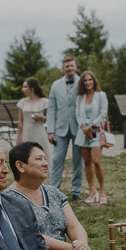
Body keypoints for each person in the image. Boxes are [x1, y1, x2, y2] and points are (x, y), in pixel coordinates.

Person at [46, 57, 83, 200]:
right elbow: (51, 108)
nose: (69, 68)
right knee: (57, 160)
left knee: (78, 161)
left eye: (72, 65)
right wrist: (50, 130)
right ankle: (54, 191)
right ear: (63, 68)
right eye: (67, 66)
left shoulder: (82, 82)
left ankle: (76, 192)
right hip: (60, 129)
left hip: (79, 128)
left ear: (76, 66)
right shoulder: (56, 85)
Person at [74, 70, 109, 204]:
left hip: (96, 131)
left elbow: (103, 112)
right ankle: (91, 190)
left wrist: (92, 126)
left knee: (96, 161)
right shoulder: (80, 97)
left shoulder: (101, 95)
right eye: (85, 80)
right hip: (83, 132)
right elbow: (77, 114)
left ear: (94, 81)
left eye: (90, 80)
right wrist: (84, 127)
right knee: (87, 162)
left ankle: (102, 190)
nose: (88, 82)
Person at [17, 77, 51, 157]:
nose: (22, 89)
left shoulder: (44, 102)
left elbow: (50, 118)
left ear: (32, 88)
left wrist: (40, 117)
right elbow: (20, 121)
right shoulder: (22, 102)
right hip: (26, 133)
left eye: (25, 87)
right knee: (26, 156)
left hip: (39, 133)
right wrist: (19, 137)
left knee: (42, 154)